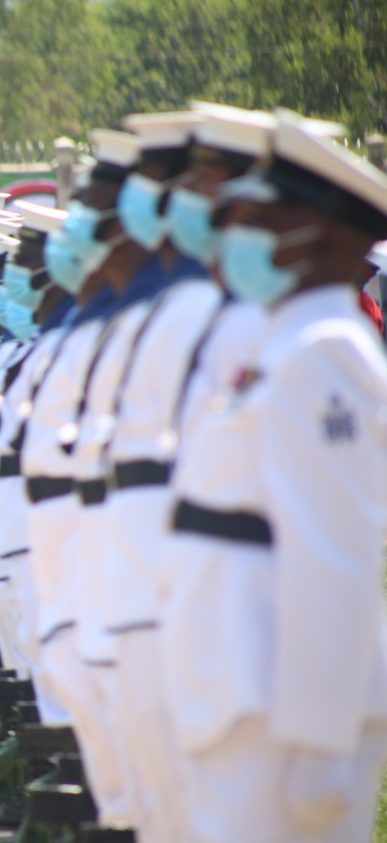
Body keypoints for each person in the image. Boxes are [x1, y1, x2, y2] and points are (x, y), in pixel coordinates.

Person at [161, 109, 387, 843]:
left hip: (280, 712)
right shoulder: (281, 341)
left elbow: (335, 552)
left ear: (314, 235)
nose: (233, 235)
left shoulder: (325, 352)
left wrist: (321, 743)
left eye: (257, 218)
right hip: (238, 689)